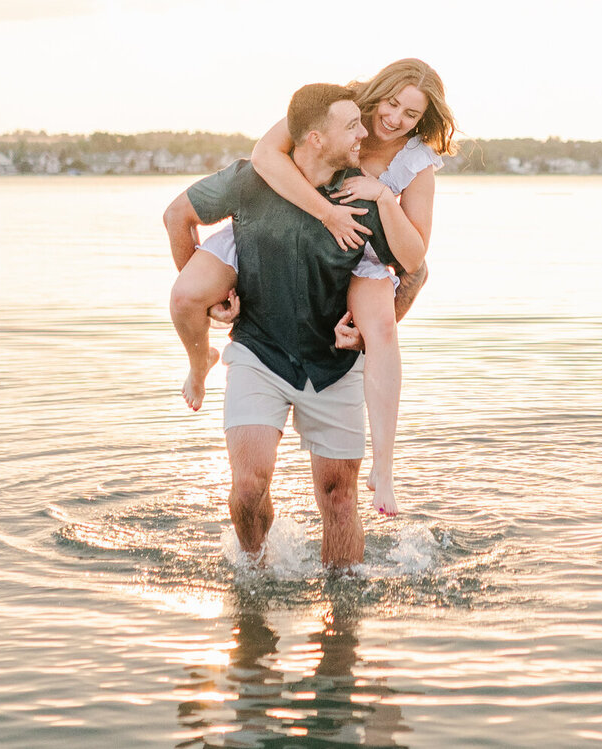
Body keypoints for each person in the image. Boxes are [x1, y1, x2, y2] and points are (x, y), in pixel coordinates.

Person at [161, 83, 428, 571]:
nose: (365, 133)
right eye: (352, 125)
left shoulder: (362, 199)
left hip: (334, 365)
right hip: (259, 353)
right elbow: (177, 215)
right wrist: (213, 303)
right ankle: (255, 573)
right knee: (247, 488)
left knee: (339, 499)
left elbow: (415, 268)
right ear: (313, 138)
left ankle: (343, 614)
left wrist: (369, 334)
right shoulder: (249, 180)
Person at [244, 58, 454, 517]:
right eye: (392, 103)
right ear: (377, 91)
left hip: (361, 253)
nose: (395, 119)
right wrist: (326, 213)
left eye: (411, 115)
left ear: (424, 120)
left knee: (380, 327)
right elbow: (264, 156)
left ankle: (384, 469)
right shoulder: (337, 106)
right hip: (300, 236)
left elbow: (414, 256)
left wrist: (382, 196)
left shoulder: (416, 162)